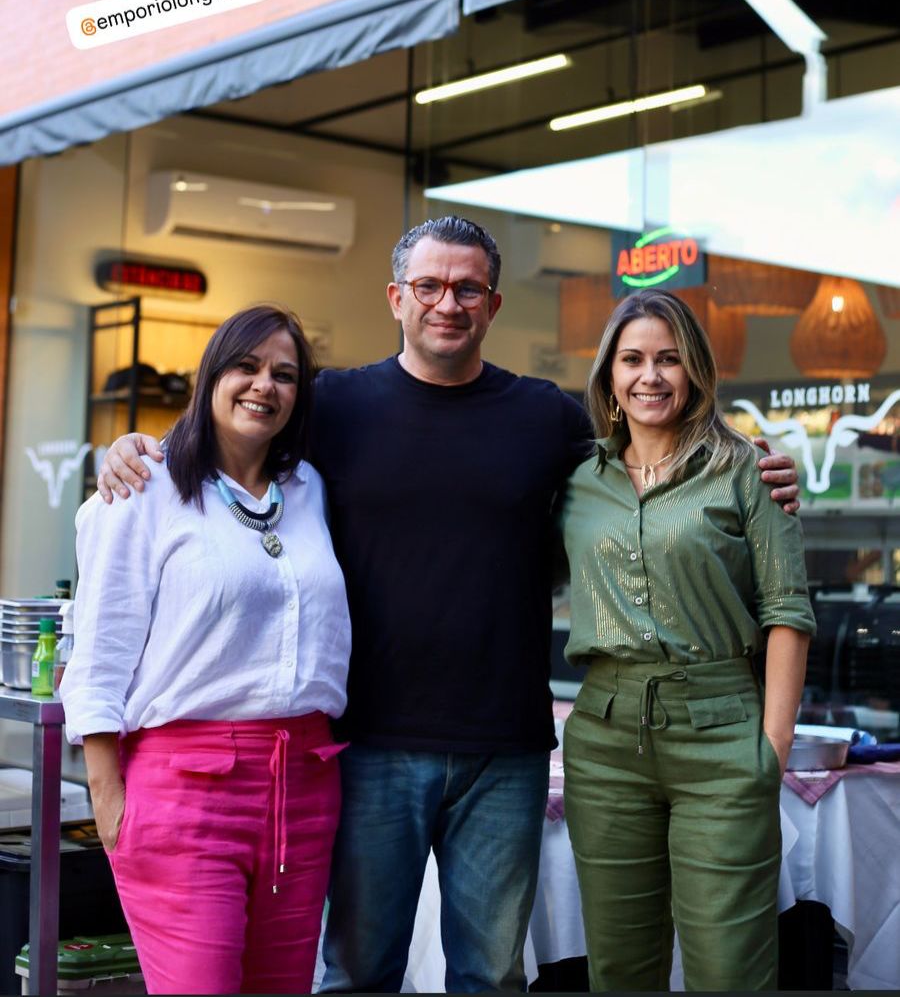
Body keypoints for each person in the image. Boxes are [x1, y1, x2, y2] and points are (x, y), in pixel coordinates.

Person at [96, 217, 801, 994]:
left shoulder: (548, 418)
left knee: (492, 974)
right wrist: (133, 449)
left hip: (505, 747)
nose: (448, 303)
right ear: (396, 296)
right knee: (359, 970)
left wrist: (754, 467)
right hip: (366, 745)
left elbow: (650, 461)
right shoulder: (331, 405)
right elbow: (235, 437)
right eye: (429, 285)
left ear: (493, 304)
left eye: (467, 287)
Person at [62, 306, 351, 996]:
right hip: (186, 791)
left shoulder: (308, 491)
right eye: (246, 366)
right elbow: (99, 651)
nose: (265, 386)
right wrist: (109, 805)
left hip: (305, 789)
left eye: (284, 374)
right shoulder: (144, 487)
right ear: (209, 376)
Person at [561, 289, 816, 992]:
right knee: (620, 969)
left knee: (729, 968)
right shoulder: (580, 482)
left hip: (724, 735)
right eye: (634, 358)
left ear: (697, 369)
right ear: (610, 374)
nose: (652, 375)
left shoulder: (748, 470)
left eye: (669, 358)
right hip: (605, 740)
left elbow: (788, 611)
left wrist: (772, 746)